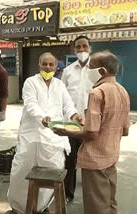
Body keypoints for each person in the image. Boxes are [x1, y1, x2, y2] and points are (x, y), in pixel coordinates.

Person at [54, 51, 130, 214]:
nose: (88, 71)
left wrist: (65, 131)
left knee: (96, 205)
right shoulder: (123, 91)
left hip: (95, 159)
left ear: (102, 71)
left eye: (92, 67)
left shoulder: (97, 93)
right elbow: (125, 130)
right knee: (110, 202)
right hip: (111, 155)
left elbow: (92, 133)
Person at [7, 52, 81, 213]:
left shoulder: (59, 85)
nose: (48, 67)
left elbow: (68, 104)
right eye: (44, 64)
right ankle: (20, 207)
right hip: (32, 135)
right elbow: (30, 104)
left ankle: (42, 206)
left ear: (56, 67)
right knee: (22, 171)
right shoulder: (30, 82)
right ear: (39, 65)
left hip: (54, 137)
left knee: (52, 172)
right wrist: (43, 118)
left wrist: (74, 115)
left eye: (51, 64)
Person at [61, 35, 101, 202]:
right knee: (70, 162)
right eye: (78, 47)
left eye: (85, 46)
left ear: (90, 48)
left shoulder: (98, 71)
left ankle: (92, 198)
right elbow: (62, 96)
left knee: (92, 163)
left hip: (92, 125)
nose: (82, 50)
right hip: (72, 124)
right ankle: (68, 194)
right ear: (74, 49)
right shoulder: (67, 71)